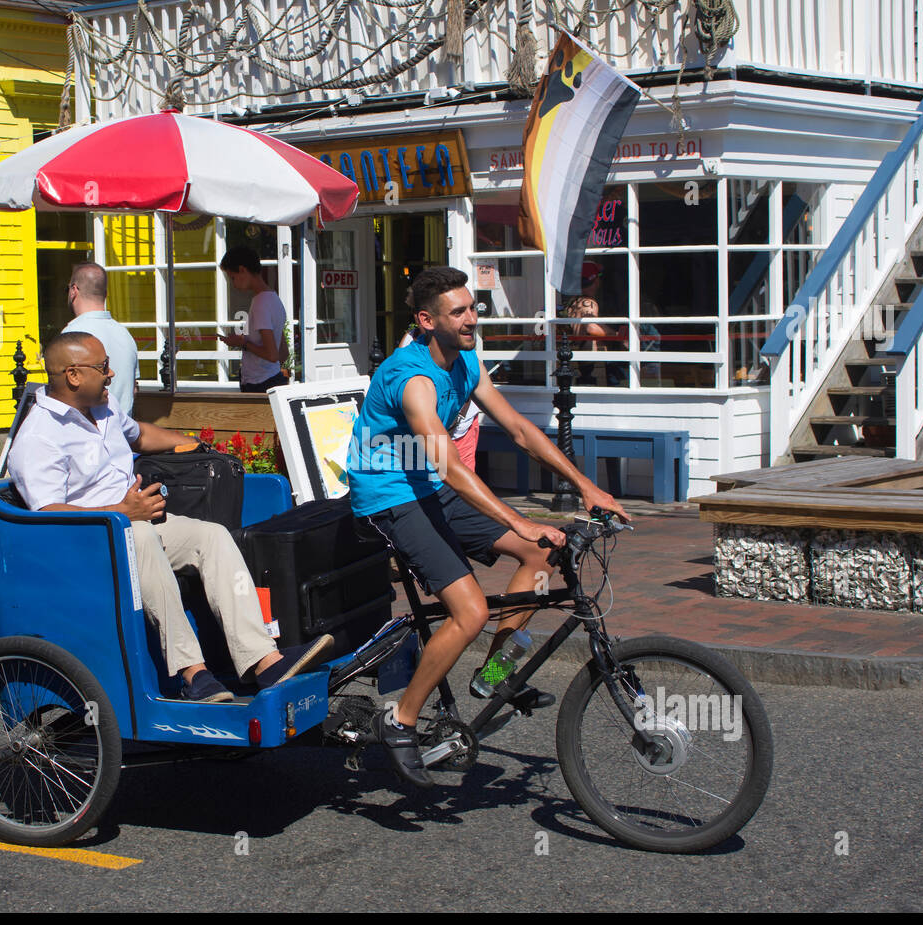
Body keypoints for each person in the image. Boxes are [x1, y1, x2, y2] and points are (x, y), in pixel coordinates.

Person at [346, 266, 628, 787]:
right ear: (427, 321)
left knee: (542, 557)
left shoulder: (467, 361)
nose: (473, 318)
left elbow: (520, 429)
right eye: (459, 312)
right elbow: (450, 466)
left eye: (474, 307)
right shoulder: (412, 378)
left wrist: (587, 487)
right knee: (471, 610)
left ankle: (494, 675)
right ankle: (401, 719)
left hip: (430, 486)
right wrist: (519, 520)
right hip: (388, 497)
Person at [7, 330, 332, 703]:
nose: (111, 374)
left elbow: (140, 435)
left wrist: (191, 443)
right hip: (87, 542)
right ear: (74, 375)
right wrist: (121, 512)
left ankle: (264, 660)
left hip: (136, 521)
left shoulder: (103, 408)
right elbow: (48, 514)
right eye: (103, 367)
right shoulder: (39, 437)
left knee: (211, 536)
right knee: (139, 538)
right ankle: (193, 674)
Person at [396, 326, 482, 470]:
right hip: (432, 431)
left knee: (461, 473)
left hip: (460, 426)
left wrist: (454, 422)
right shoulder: (408, 342)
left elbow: (465, 392)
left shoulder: (461, 349)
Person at [64, 261, 140, 416]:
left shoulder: (71, 335)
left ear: (74, 290)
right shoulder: (125, 335)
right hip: (122, 433)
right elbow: (133, 389)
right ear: (105, 294)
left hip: (86, 435)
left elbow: (64, 395)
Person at [218, 246, 288, 393]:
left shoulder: (260, 304)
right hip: (271, 379)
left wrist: (243, 343)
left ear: (243, 270)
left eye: (233, 277)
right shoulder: (274, 299)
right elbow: (283, 352)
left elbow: (272, 354)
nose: (233, 284)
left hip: (259, 384)